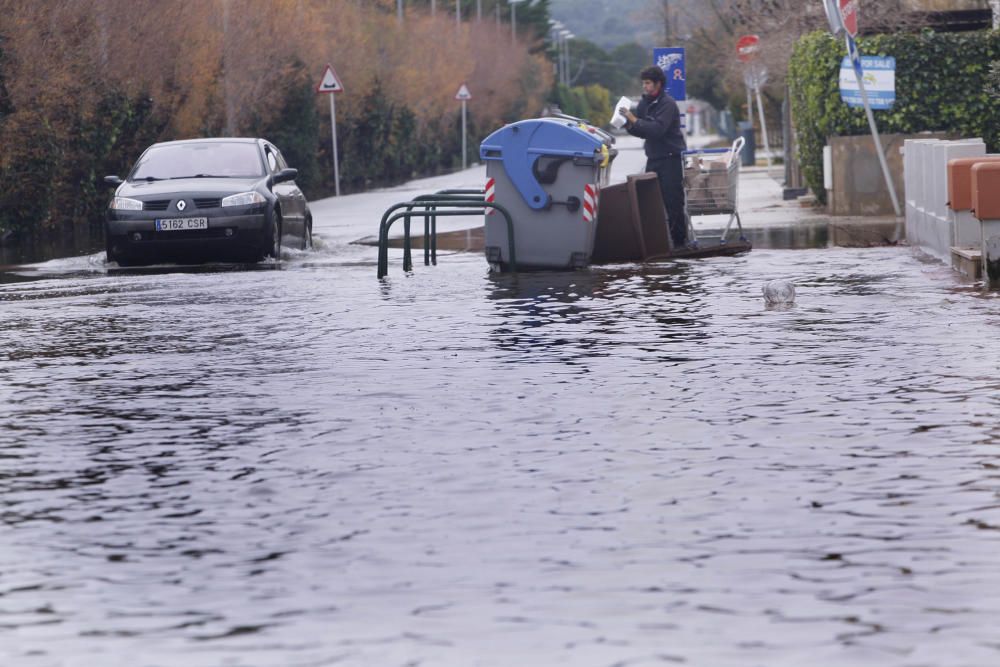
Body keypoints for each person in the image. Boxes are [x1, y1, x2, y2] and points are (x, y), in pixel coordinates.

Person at [619, 66, 689, 249]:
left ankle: (680, 244)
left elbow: (657, 130)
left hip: (671, 159)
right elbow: (643, 131)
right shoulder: (645, 104)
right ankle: (655, 244)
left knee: (673, 203)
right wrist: (627, 125)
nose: (645, 87)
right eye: (643, 83)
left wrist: (633, 119)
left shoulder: (667, 104)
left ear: (658, 84)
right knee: (650, 203)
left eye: (648, 83)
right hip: (654, 158)